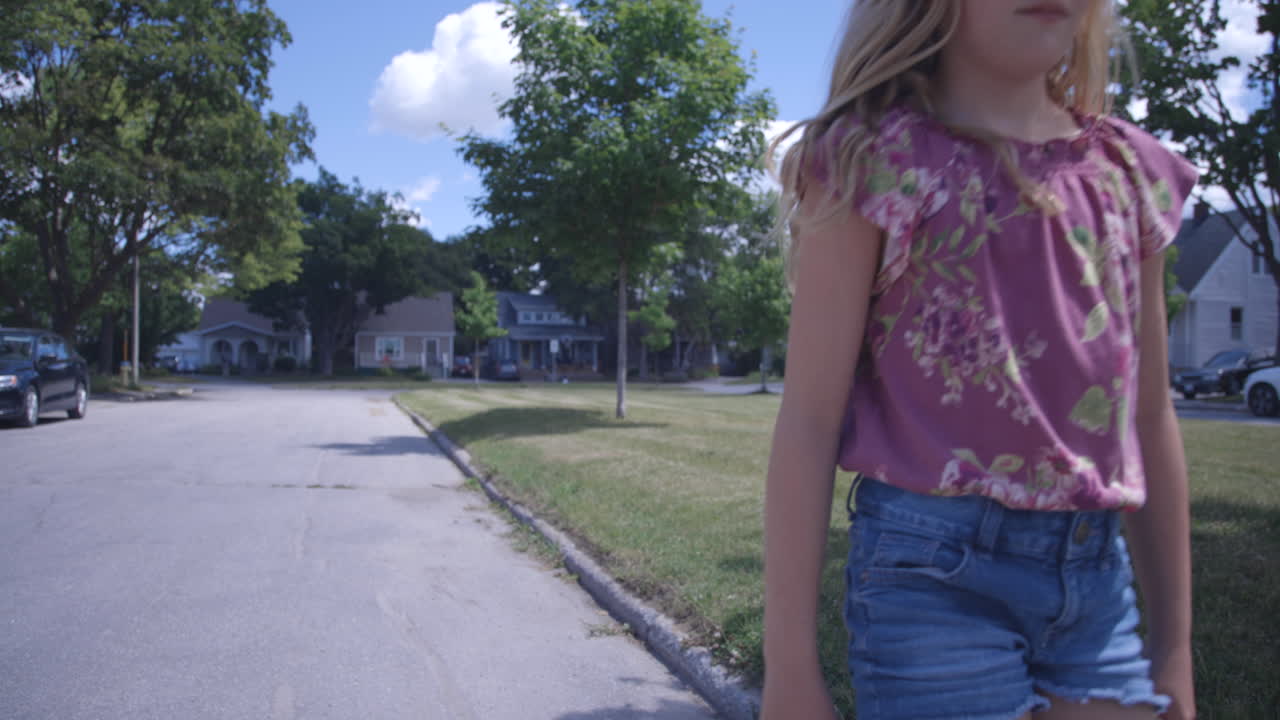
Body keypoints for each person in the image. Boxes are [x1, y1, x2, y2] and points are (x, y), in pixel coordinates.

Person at [762, 1, 1198, 719]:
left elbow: (1149, 417)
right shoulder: (875, 160)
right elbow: (809, 420)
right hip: (930, 582)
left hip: (1095, 587)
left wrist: (1174, 648)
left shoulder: (1127, 172)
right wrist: (788, 672)